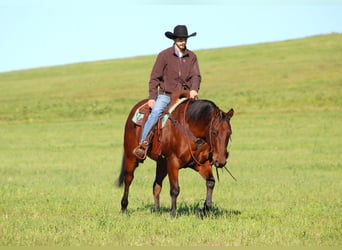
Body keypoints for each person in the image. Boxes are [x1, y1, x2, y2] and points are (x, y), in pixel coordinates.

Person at [133, 25, 202, 160]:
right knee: (156, 112)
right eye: (180, 39)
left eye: (184, 39)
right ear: (174, 40)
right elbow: (154, 78)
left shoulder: (192, 56)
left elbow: (196, 76)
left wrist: (194, 89)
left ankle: (202, 148)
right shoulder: (164, 55)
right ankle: (143, 144)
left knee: (200, 115)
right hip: (166, 95)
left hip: (185, 95)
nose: (183, 42)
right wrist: (152, 97)